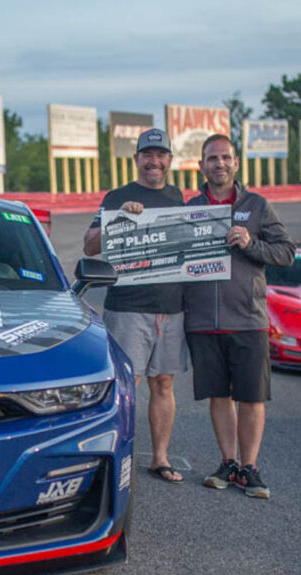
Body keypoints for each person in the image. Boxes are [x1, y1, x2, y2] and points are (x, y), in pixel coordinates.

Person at [184, 134, 295, 499]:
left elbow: (286, 253)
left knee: (250, 398)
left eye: (225, 158)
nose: (219, 164)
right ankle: (228, 462)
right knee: (218, 396)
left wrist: (251, 244)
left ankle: (250, 468)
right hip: (204, 321)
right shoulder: (189, 209)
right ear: (202, 166)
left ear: (235, 163)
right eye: (212, 158)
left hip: (248, 319)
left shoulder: (257, 206)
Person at [84, 128, 188, 483]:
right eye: (148, 155)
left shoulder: (178, 198)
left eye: (161, 155)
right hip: (128, 307)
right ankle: (114, 456)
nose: (153, 162)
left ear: (170, 161)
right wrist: (118, 220)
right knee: (128, 386)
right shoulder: (118, 197)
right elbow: (89, 246)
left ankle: (160, 458)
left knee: (164, 384)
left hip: (171, 308)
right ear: (136, 160)